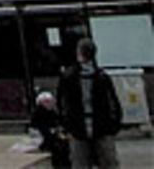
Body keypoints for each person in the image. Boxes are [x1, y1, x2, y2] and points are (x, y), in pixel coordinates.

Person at [57, 38, 122, 169]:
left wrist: (65, 124)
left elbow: (62, 103)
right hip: (95, 126)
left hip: (83, 127)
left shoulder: (70, 76)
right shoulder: (101, 77)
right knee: (108, 161)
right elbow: (113, 102)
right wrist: (114, 124)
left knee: (82, 162)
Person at [30, 91, 71, 168]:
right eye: (46, 102)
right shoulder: (39, 114)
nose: (49, 104)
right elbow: (43, 129)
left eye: (50, 101)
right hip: (43, 136)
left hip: (51, 136)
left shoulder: (53, 113)